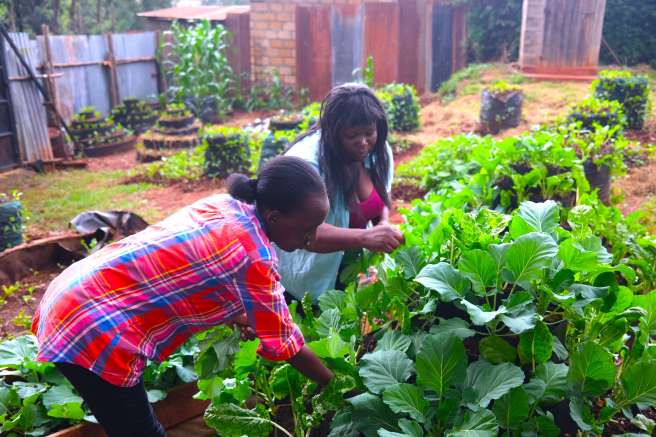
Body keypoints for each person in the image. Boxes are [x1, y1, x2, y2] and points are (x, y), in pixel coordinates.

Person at [31, 156, 334, 437]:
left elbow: (198, 272)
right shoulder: (256, 257)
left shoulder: (227, 205)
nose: (313, 236)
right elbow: (286, 345)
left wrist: (241, 312)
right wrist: (334, 384)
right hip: (93, 324)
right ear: (275, 217)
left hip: (74, 291)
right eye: (308, 228)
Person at [278, 83, 404, 301]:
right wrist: (365, 237)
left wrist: (381, 224)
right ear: (333, 133)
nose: (363, 142)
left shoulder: (378, 151)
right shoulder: (306, 165)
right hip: (307, 278)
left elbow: (380, 198)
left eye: (369, 132)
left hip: (349, 266)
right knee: (311, 325)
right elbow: (303, 233)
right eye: (353, 135)